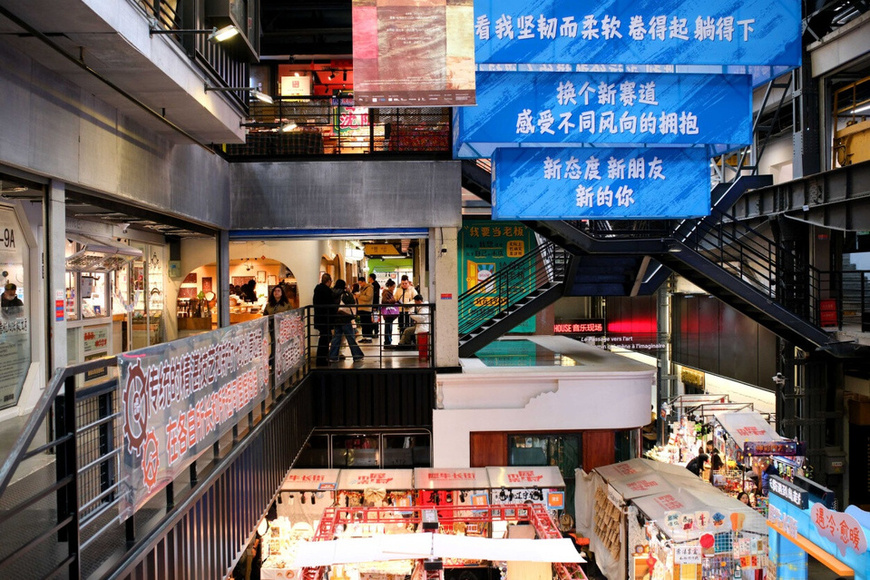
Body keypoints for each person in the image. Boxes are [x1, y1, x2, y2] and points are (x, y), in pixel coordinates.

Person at [328, 279, 364, 363]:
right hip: (345, 318)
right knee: (350, 337)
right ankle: (357, 355)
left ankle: (333, 356)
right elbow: (351, 301)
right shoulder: (344, 294)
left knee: (337, 337)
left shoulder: (331, 293)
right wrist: (349, 292)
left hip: (336, 318)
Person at [312, 273, 334, 366]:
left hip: (319, 317)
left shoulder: (317, 290)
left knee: (324, 337)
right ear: (328, 281)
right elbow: (331, 304)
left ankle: (321, 359)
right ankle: (321, 359)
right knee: (325, 338)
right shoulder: (327, 291)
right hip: (326, 318)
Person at [356, 276, 374, 343]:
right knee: (363, 323)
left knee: (367, 323)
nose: (360, 285)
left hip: (366, 308)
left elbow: (368, 298)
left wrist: (359, 296)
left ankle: (368, 337)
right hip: (361, 308)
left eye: (361, 283)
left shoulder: (369, 288)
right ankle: (364, 337)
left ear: (364, 281)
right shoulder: (362, 288)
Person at [380, 279, 399, 346]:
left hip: (388, 312)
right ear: (390, 286)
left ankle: (389, 340)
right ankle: (387, 341)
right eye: (393, 287)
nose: (394, 288)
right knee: (388, 327)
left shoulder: (388, 293)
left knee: (389, 326)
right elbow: (384, 301)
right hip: (388, 312)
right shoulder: (386, 293)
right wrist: (393, 301)